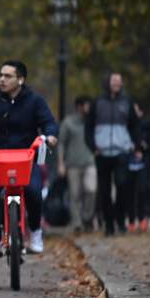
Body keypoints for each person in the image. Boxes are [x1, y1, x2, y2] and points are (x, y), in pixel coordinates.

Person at [0, 60, 58, 256]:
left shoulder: (35, 101)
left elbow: (48, 122)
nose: (2, 79)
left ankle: (35, 232)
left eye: (8, 76)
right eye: (1, 75)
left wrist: (50, 135)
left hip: (26, 159)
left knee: (34, 191)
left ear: (20, 79)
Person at [85, 72, 143, 236]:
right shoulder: (98, 103)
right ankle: (109, 225)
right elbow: (88, 128)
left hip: (121, 152)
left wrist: (137, 147)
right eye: (114, 81)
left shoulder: (127, 102)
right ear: (108, 82)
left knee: (122, 186)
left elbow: (135, 126)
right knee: (104, 191)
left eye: (119, 81)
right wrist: (93, 147)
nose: (117, 84)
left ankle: (120, 220)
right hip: (102, 153)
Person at [57, 95, 96, 232]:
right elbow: (61, 144)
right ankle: (77, 223)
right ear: (79, 106)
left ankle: (87, 217)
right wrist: (61, 163)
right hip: (72, 164)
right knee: (75, 194)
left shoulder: (92, 122)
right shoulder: (68, 123)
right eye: (86, 105)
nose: (89, 108)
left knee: (91, 190)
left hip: (90, 162)